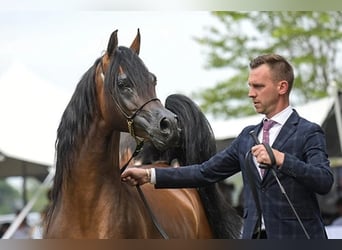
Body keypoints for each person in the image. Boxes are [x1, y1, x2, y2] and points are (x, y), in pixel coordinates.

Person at [121, 53, 334, 239]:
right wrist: (150, 176)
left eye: (258, 86)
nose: (251, 93)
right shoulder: (248, 136)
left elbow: (324, 181)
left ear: (282, 87)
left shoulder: (308, 132)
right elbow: (204, 172)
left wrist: (282, 160)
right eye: (250, 86)